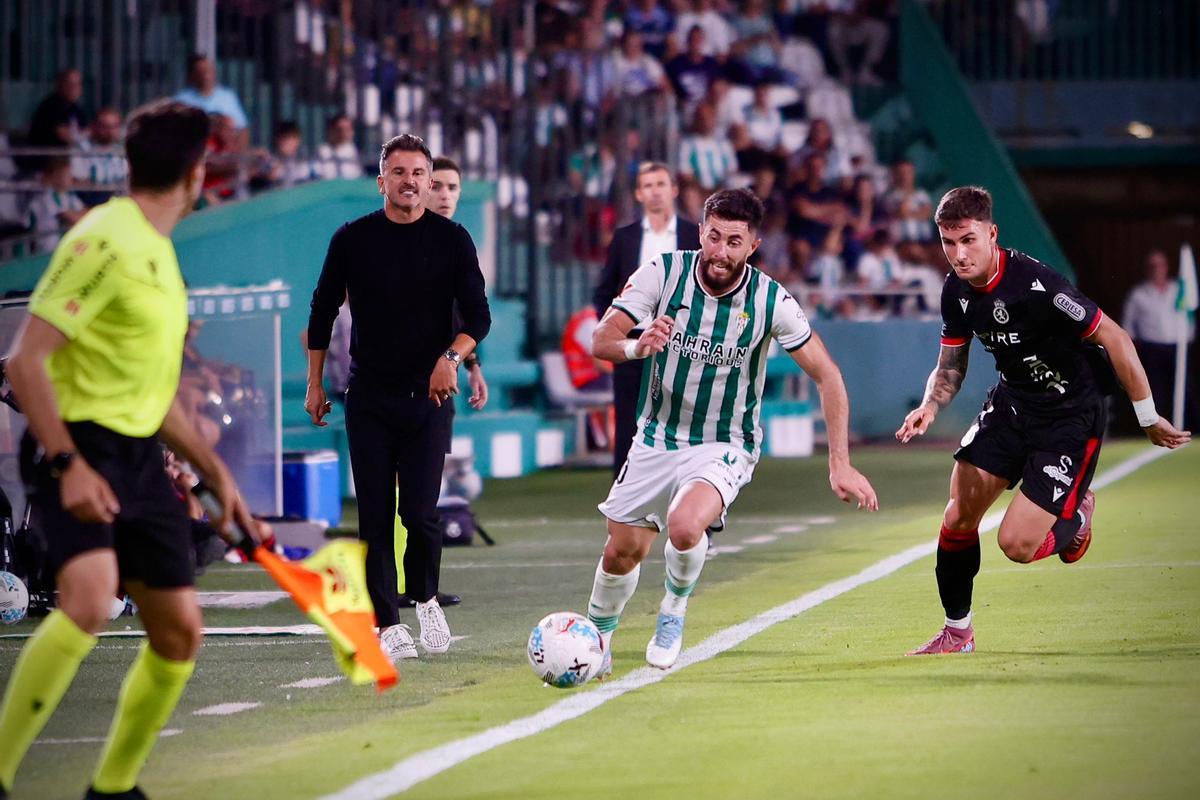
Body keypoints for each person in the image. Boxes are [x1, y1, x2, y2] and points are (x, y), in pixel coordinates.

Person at [0, 99, 258, 800]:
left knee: (179, 632)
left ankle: (112, 789)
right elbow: (24, 361)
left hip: (139, 457)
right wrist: (68, 462)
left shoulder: (158, 251)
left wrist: (215, 477)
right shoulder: (103, 240)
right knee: (87, 600)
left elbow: (156, 395)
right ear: (199, 172)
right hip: (75, 445)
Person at [586, 188, 878, 675]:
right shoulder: (663, 273)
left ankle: (673, 612)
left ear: (754, 245)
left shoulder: (770, 301)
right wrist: (640, 347)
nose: (720, 252)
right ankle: (597, 640)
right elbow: (602, 339)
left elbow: (828, 375)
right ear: (701, 231)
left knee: (683, 525)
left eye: (734, 242)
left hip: (725, 443)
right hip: (656, 436)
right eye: (714, 237)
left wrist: (840, 462)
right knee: (621, 552)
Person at [896, 186, 1191, 656]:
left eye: (968, 240)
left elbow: (1116, 339)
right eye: (949, 243)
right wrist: (931, 406)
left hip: (1069, 419)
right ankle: (958, 633)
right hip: (1013, 405)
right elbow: (951, 364)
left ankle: (1078, 514)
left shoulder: (1039, 285)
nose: (958, 254)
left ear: (992, 234)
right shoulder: (955, 291)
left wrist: (1148, 417)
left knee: (1017, 546)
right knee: (957, 516)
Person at [305, 135, 490, 663]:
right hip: (368, 397)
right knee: (375, 514)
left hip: (430, 400)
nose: (410, 181)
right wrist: (316, 385)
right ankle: (387, 621)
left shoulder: (453, 240)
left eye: (419, 173)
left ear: (430, 183)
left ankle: (426, 597)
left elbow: (478, 317)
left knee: (421, 511)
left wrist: (450, 359)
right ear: (381, 180)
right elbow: (322, 311)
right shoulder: (352, 239)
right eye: (399, 172)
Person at [395, 155, 486, 610]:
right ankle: (391, 583)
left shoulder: (455, 243)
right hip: (393, 382)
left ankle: (418, 586)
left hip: (442, 378)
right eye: (441, 186)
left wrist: (471, 364)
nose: (447, 194)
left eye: (454, 187)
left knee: (422, 488)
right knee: (395, 488)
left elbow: (467, 314)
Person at [594, 162, 701, 479]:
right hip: (633, 342)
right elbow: (604, 290)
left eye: (661, 184)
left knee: (684, 416)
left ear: (674, 190)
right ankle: (624, 492)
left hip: (680, 342)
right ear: (639, 194)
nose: (656, 191)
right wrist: (613, 333)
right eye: (648, 186)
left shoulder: (692, 235)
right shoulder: (625, 238)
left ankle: (687, 486)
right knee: (627, 418)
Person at [1122, 249, 1196, 429]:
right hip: (1151, 348)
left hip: (1177, 347)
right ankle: (1156, 427)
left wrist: (1189, 337)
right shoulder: (1138, 294)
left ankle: (1189, 427)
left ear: (1166, 267)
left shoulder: (1178, 289)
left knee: (1184, 388)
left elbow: (1189, 315)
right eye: (1152, 266)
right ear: (1147, 269)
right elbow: (1128, 324)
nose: (1156, 269)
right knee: (1155, 390)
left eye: (1159, 265)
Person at [26, 156, 88, 253]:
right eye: (65, 175)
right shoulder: (48, 196)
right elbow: (70, 218)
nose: (70, 178)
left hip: (63, 249)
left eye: (69, 174)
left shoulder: (69, 195)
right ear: (54, 176)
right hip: (46, 250)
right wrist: (80, 216)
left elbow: (87, 214)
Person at [174, 54, 249, 134]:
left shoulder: (227, 97)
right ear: (192, 75)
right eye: (201, 71)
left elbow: (242, 128)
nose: (206, 75)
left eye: (208, 70)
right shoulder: (182, 100)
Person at [314, 114, 364, 180]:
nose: (343, 133)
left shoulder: (353, 151)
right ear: (331, 130)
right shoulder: (322, 151)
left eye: (347, 129)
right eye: (339, 129)